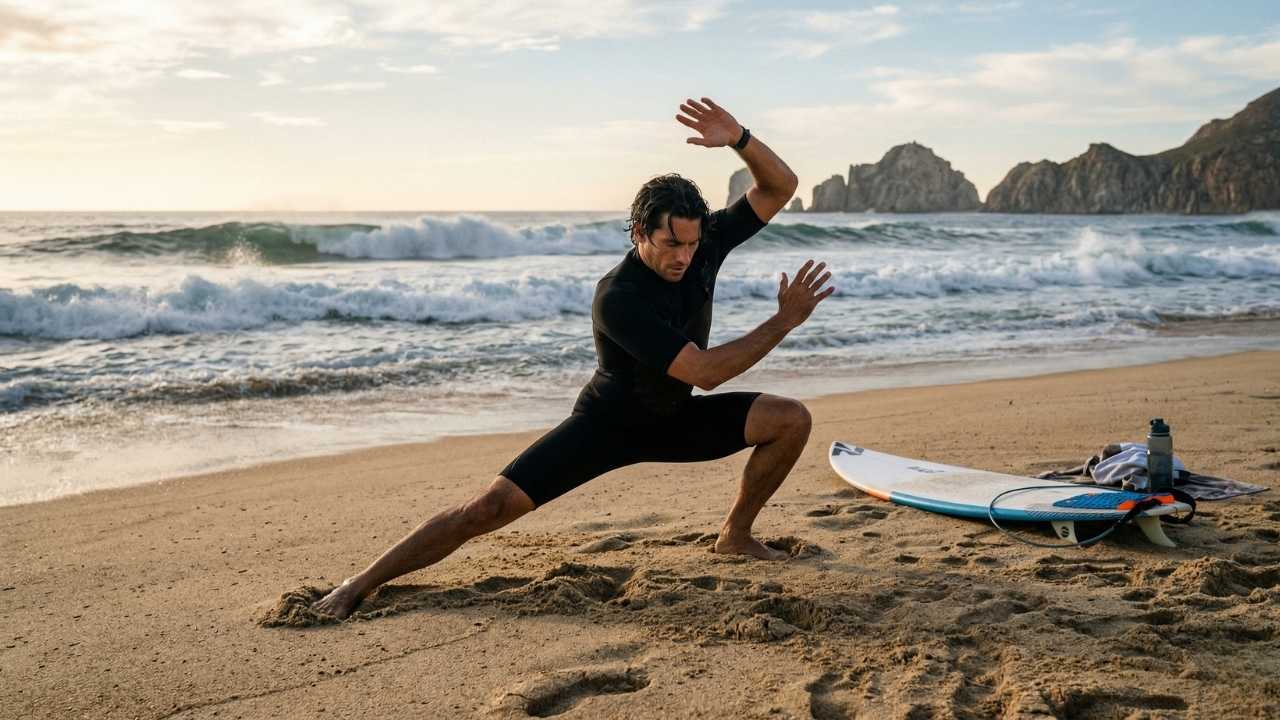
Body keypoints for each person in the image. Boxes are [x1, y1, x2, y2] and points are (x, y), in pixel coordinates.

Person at [314, 97, 834, 619]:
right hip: (607, 426)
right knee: (487, 509)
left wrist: (741, 139)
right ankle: (358, 584)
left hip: (676, 419)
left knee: (790, 420)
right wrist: (783, 320)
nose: (684, 256)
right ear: (639, 233)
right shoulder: (618, 298)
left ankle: (734, 536)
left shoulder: (704, 243)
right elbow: (705, 371)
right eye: (670, 244)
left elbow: (779, 187)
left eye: (692, 244)